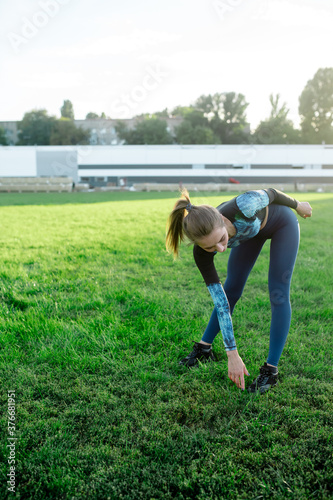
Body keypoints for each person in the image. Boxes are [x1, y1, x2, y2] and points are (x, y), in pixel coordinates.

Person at [166, 187, 312, 394]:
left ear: (221, 220)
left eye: (221, 239)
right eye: (210, 248)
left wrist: (298, 205)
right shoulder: (201, 253)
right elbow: (221, 302)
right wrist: (231, 353)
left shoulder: (244, 205)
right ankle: (204, 348)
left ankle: (271, 371)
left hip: (281, 223)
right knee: (231, 289)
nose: (220, 249)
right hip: (250, 233)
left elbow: (272, 193)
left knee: (278, 294)